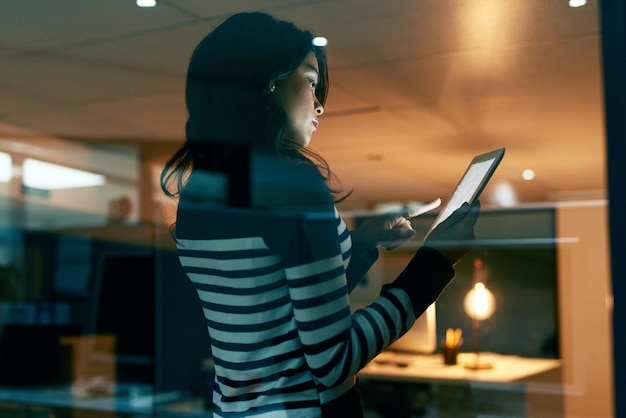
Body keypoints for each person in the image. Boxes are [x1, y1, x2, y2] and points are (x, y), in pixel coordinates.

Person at [161, 11, 479, 418]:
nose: (320, 104)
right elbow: (332, 362)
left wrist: (361, 243)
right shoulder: (294, 188)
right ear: (267, 80)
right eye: (310, 81)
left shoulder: (199, 196)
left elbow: (281, 312)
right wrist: (433, 263)